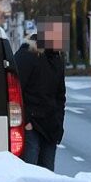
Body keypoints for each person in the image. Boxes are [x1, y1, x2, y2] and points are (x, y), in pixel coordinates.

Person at [15, 30, 66, 171]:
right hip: (32, 125)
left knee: (47, 174)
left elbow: (60, 96)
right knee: (30, 172)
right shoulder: (27, 56)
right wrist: (26, 122)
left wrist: (59, 124)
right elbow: (15, 90)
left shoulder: (57, 58)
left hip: (50, 126)